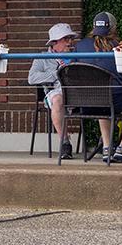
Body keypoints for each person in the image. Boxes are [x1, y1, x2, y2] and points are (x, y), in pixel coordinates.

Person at [70, 12, 122, 164]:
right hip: (115, 101)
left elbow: (70, 72)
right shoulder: (120, 48)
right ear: (113, 28)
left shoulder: (79, 46)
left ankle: (107, 148)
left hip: (86, 103)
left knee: (101, 98)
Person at [27, 22, 79, 159]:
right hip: (56, 93)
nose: (70, 42)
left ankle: (105, 143)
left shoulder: (79, 55)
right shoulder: (42, 58)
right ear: (54, 43)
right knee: (57, 100)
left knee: (106, 94)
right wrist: (57, 74)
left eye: (71, 39)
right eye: (66, 39)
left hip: (79, 93)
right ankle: (65, 143)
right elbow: (31, 78)